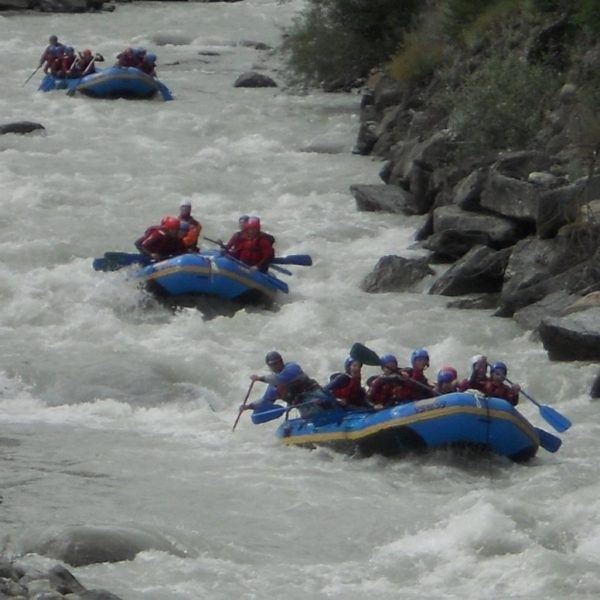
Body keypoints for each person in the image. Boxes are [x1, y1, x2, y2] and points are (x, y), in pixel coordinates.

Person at [241, 351, 322, 414]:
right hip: (305, 408)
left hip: (317, 396)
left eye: (276, 363)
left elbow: (281, 379)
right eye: (272, 365)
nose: (275, 366)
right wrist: (248, 406)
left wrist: (259, 378)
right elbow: (265, 402)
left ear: (281, 361)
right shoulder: (274, 387)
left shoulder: (292, 368)